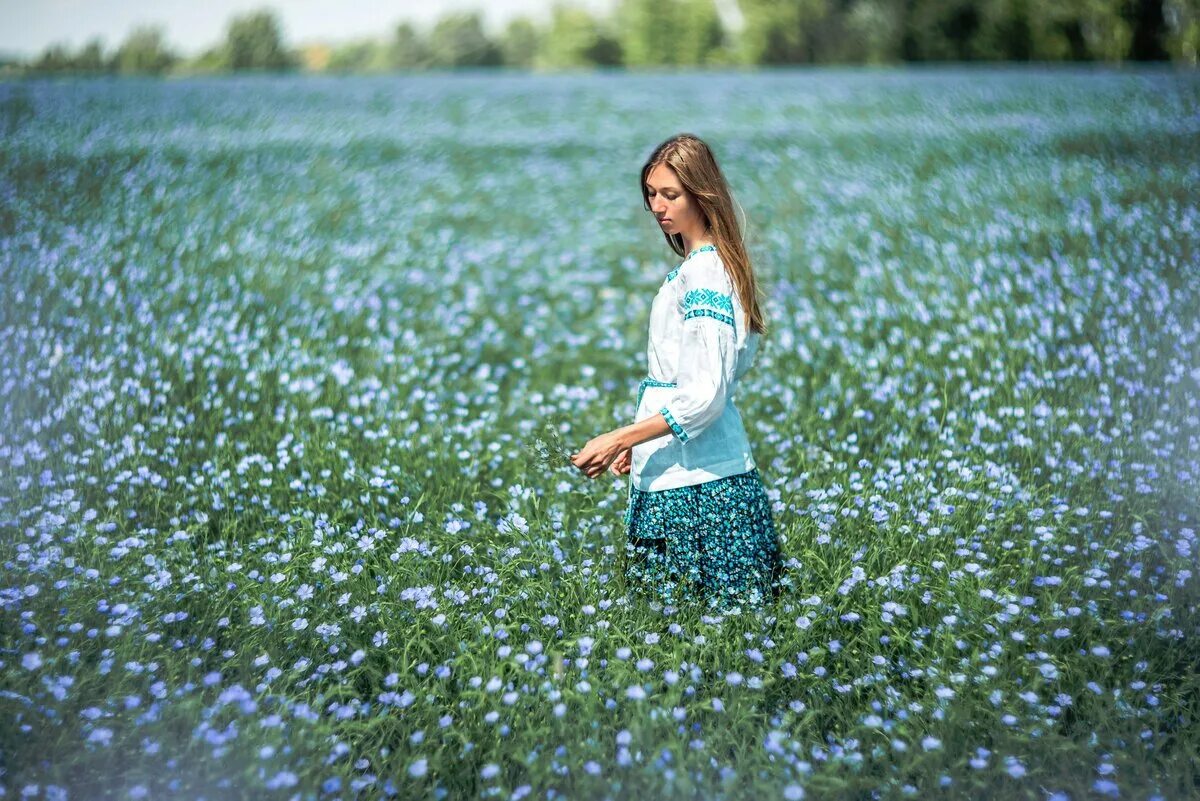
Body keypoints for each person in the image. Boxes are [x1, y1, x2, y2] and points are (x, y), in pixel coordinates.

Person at [570, 133, 783, 612]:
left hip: (697, 492)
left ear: (702, 195)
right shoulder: (709, 266)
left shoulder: (705, 274)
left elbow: (704, 395)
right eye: (651, 194)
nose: (658, 207)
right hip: (694, 472)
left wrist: (620, 438)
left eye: (671, 194)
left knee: (691, 634)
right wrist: (645, 441)